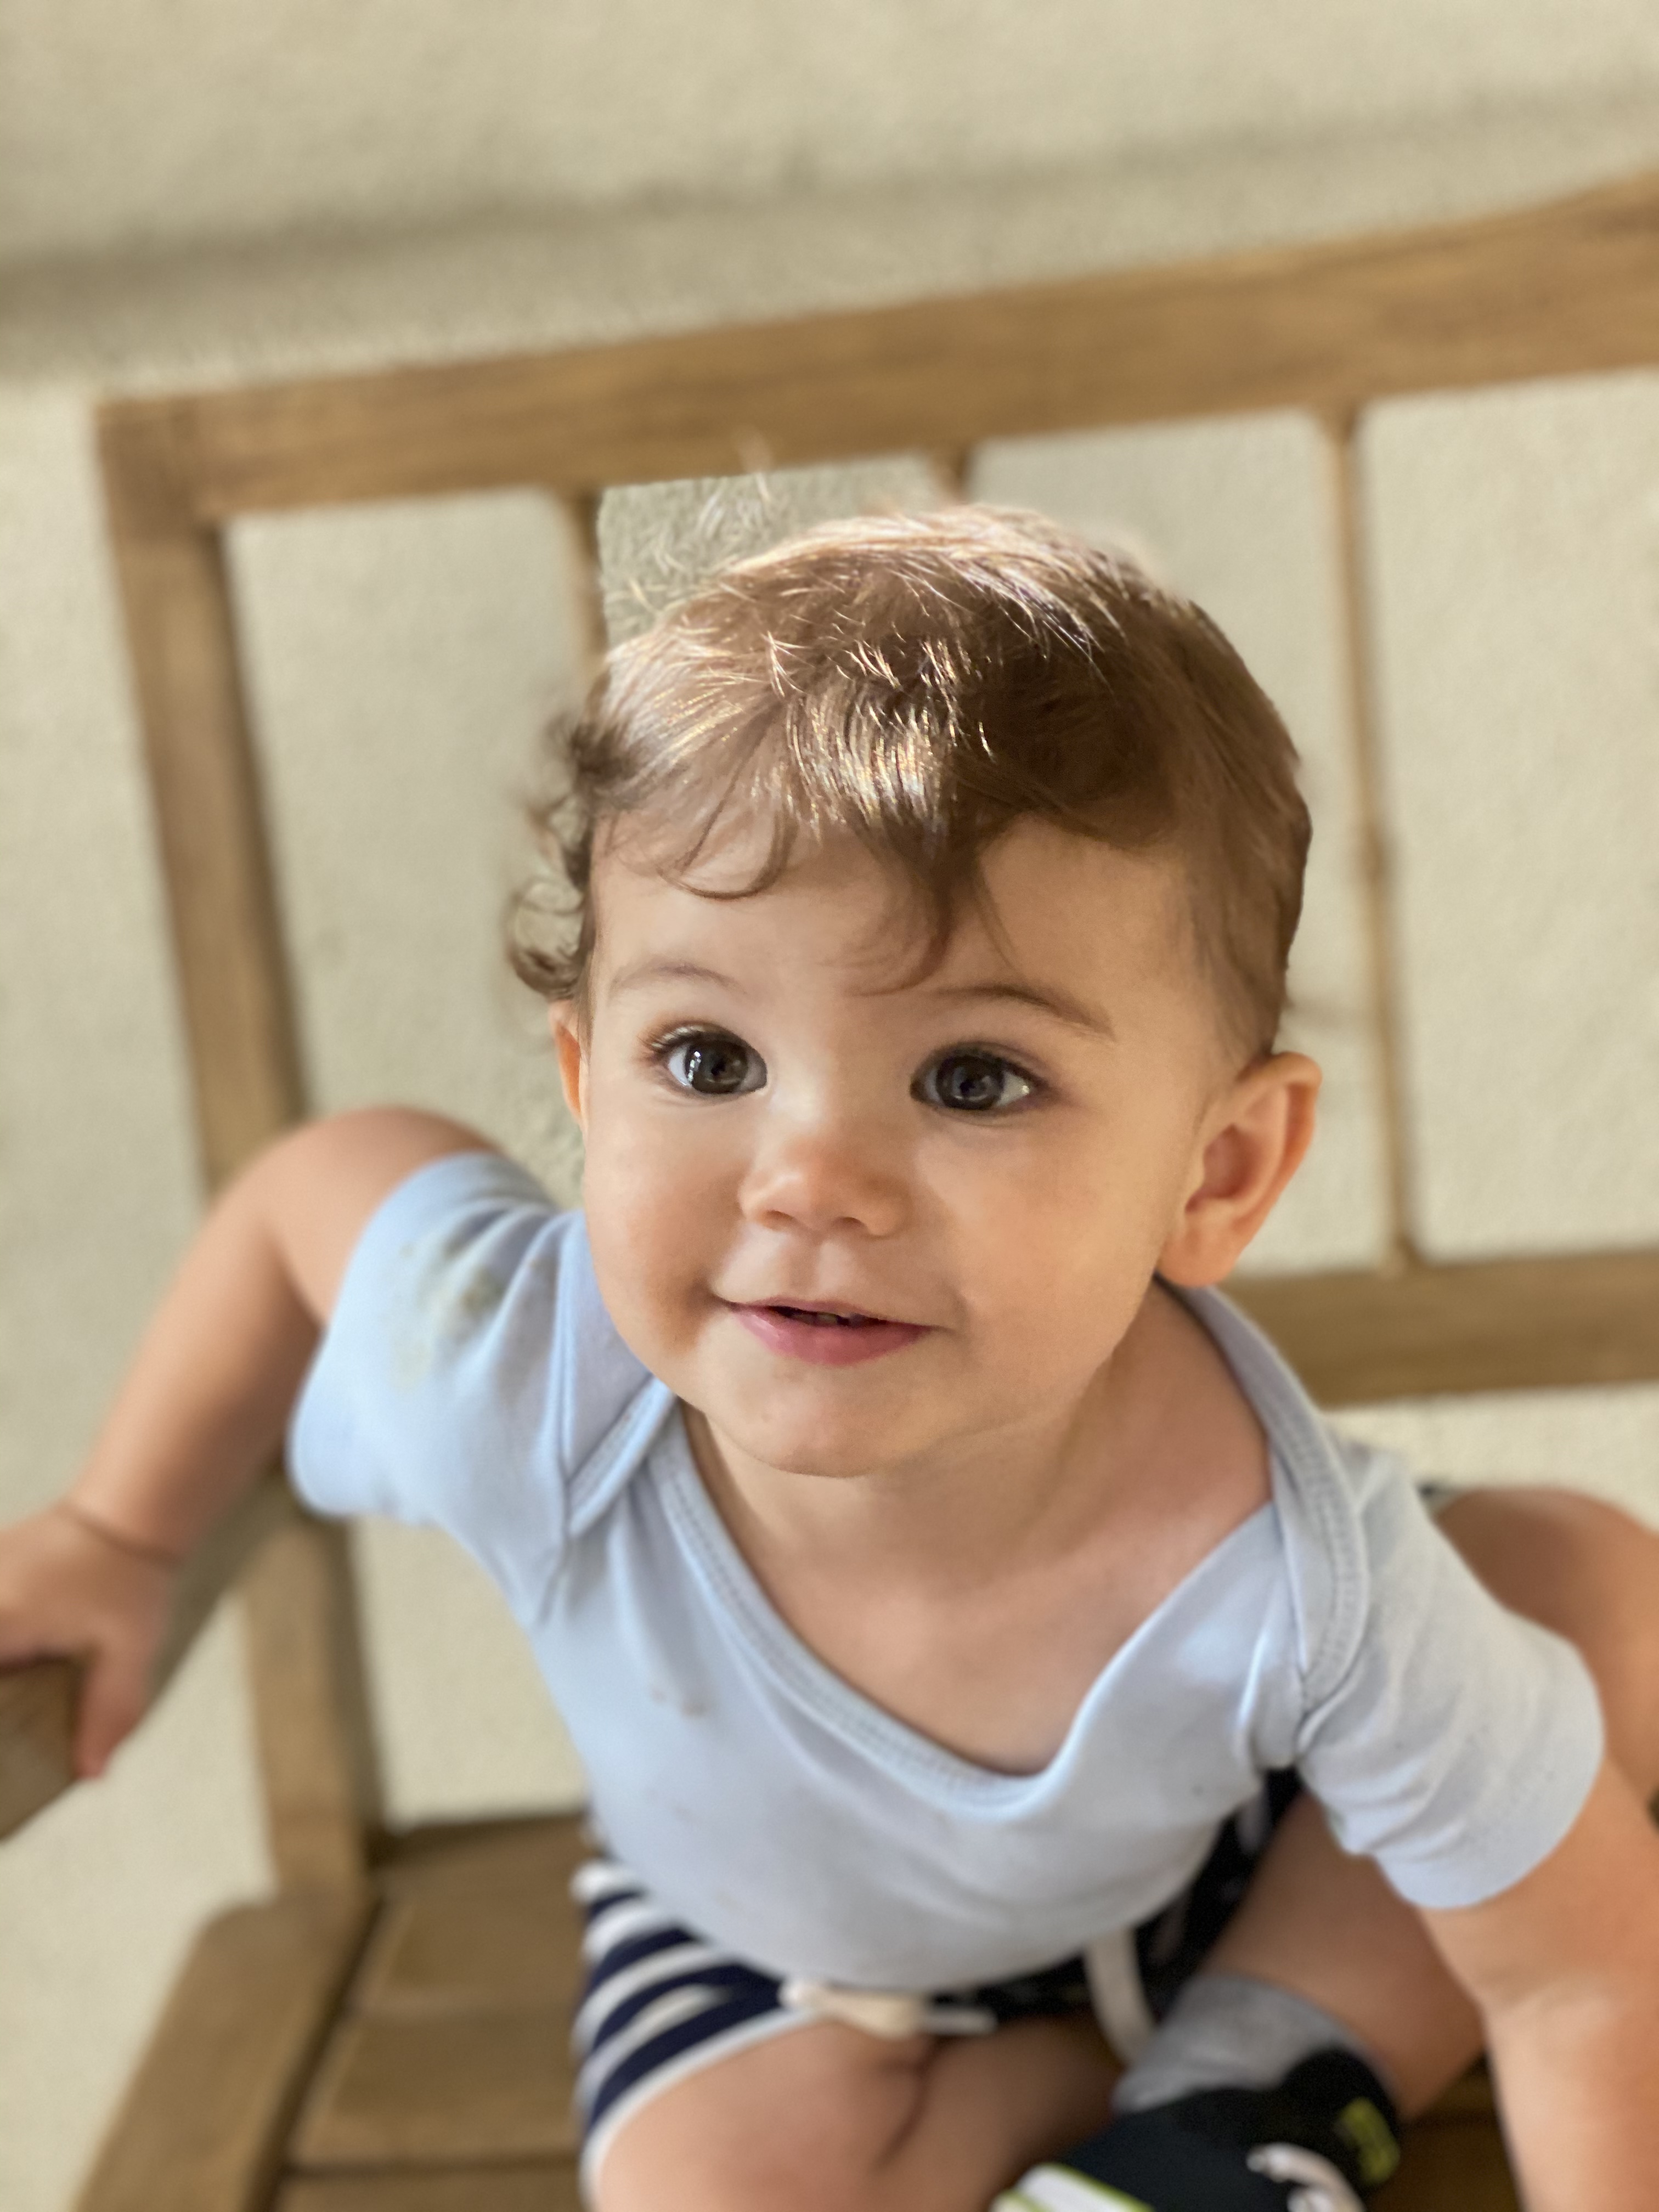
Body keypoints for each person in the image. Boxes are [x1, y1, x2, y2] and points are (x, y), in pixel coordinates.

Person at [2, 507, 1657, 2212]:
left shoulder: (1296, 1577)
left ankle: (1252, 2071)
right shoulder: (525, 1384)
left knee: (1592, 1596)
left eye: (973, 1079)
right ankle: (1174, 2091)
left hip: (1238, 1835)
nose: (809, 1182)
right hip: (773, 1937)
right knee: (699, 2190)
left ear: (1217, 1170)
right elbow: (319, 1194)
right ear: (585, 1086)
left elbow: (1583, 1971)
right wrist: (121, 1531)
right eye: (708, 1057)